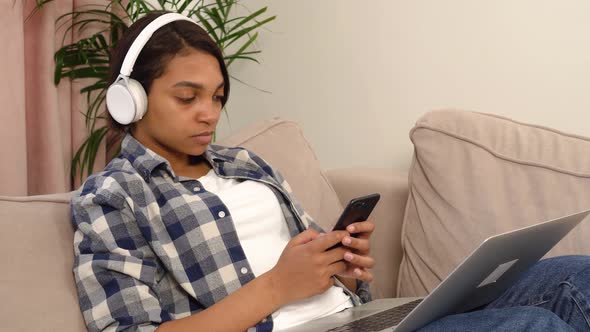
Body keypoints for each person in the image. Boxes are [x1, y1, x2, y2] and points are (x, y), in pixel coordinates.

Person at [71, 11, 590, 332]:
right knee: (533, 324)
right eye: (187, 97)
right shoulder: (114, 197)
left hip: (358, 321)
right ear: (129, 99)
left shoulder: (247, 164)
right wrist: (276, 288)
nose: (209, 113)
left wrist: (339, 265)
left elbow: (330, 282)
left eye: (217, 97)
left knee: (576, 275)